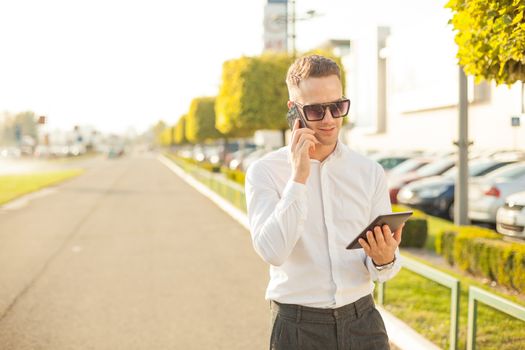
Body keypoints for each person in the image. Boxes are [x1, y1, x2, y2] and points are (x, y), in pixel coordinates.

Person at [245, 55, 404, 350]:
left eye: (337, 106)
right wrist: (299, 178)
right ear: (294, 111)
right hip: (297, 329)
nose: (330, 119)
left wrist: (385, 259)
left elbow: (384, 269)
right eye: (317, 110)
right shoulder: (264, 172)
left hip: (364, 322)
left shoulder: (369, 172)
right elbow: (273, 251)